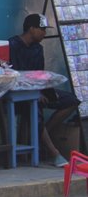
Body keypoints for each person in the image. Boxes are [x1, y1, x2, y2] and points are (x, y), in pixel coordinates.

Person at [8, 13, 82, 167]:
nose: (44, 33)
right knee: (35, 108)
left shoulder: (38, 49)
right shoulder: (12, 45)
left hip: (38, 90)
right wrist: (34, 92)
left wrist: (43, 91)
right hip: (19, 94)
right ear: (31, 29)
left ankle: (40, 136)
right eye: (41, 29)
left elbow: (39, 74)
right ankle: (54, 153)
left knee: (71, 100)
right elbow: (12, 75)